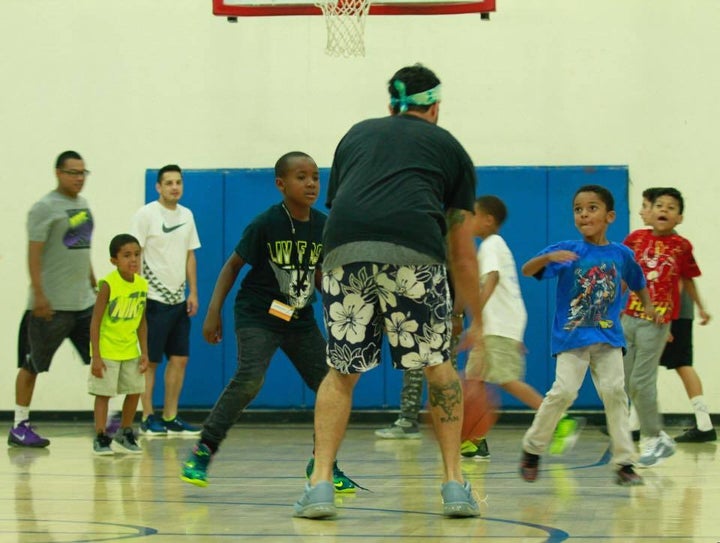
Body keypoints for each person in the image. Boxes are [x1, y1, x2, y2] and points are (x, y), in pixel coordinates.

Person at [295, 64, 485, 519]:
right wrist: (478, 318)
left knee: (341, 371)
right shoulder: (450, 147)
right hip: (415, 254)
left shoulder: (357, 134)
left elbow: (343, 204)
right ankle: (455, 484)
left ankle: (321, 484)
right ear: (435, 106)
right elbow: (460, 249)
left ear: (391, 106)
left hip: (344, 253)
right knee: (438, 369)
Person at [181, 152, 356, 492]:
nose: (310, 184)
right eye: (301, 177)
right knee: (250, 379)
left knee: (330, 386)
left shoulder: (322, 225)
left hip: (299, 318)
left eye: (315, 178)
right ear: (280, 184)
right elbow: (232, 266)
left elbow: (318, 274)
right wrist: (212, 312)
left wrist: (338, 300)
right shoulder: (266, 223)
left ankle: (323, 462)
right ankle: (203, 451)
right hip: (258, 314)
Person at [519, 184, 657, 487]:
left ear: (610, 216)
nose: (583, 214)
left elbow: (637, 280)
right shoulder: (568, 250)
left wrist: (649, 306)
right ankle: (532, 449)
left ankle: (624, 463)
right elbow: (527, 270)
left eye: (591, 208)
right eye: (578, 209)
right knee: (564, 392)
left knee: (615, 393)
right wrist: (547, 258)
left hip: (608, 338)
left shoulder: (621, 254)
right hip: (572, 338)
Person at [9, 150, 96, 448]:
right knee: (32, 365)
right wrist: (40, 295)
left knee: (103, 358)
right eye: (73, 172)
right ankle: (20, 425)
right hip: (50, 307)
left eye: (83, 172)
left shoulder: (83, 204)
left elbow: (81, 245)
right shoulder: (44, 208)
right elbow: (33, 254)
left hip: (84, 303)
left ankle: (108, 423)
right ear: (58, 173)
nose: (79, 178)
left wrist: (92, 280)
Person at [622, 187, 705, 466]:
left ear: (679, 218)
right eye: (659, 205)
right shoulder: (635, 239)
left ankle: (652, 439)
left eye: (671, 208)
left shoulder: (682, 247)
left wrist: (699, 308)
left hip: (656, 321)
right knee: (625, 381)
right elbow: (626, 274)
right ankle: (650, 434)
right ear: (649, 211)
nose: (664, 211)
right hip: (628, 318)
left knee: (641, 381)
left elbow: (687, 280)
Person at [462, 195, 544, 460]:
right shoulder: (493, 245)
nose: (468, 220)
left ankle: (556, 417)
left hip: (495, 326)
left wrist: (477, 320)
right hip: (499, 325)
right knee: (474, 379)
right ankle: (475, 440)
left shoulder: (491, 245)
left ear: (488, 220)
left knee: (506, 380)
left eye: (473, 214)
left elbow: (493, 279)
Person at [130, 165, 201, 436]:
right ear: (158, 187)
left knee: (180, 359)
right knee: (151, 361)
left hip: (178, 301)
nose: (174, 187)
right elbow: (134, 254)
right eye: (168, 183)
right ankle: (148, 416)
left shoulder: (187, 215)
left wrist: (192, 292)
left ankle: (171, 416)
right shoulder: (146, 214)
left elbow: (189, 256)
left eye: (178, 182)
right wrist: (137, 293)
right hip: (152, 299)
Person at [89, 234, 149, 455]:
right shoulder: (108, 284)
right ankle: (101, 436)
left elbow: (142, 321)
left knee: (135, 390)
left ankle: (125, 432)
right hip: (107, 350)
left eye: (136, 255)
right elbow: (95, 322)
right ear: (114, 260)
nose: (133, 260)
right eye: (126, 256)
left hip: (130, 349)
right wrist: (96, 355)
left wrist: (144, 352)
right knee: (104, 394)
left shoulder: (142, 284)